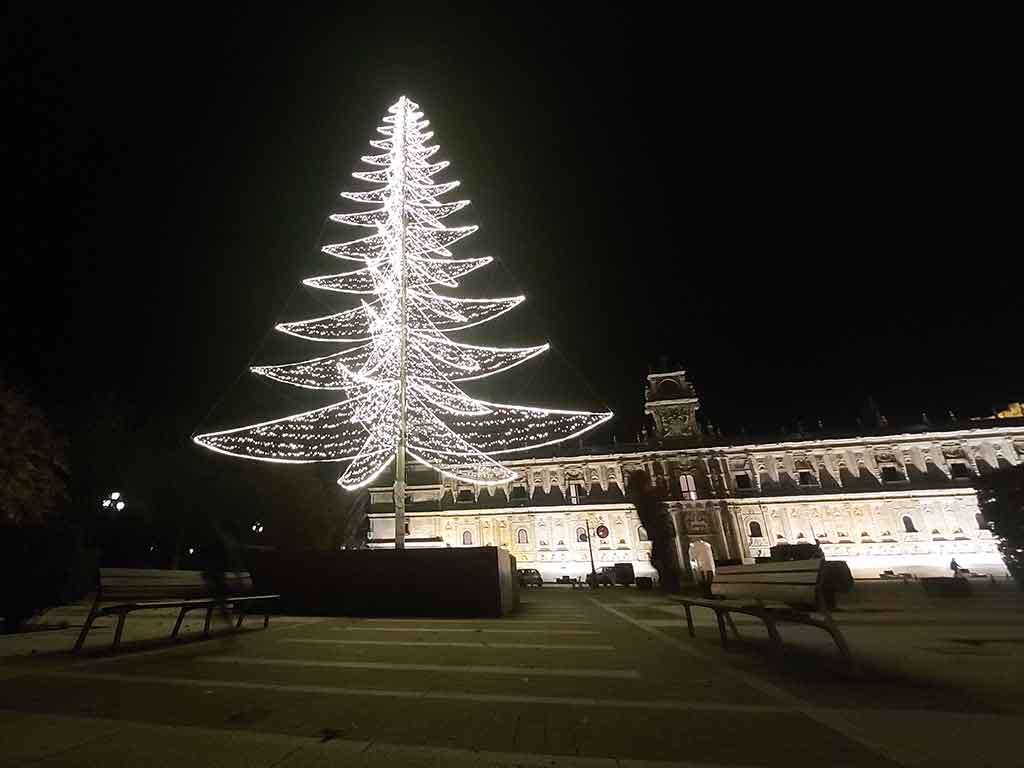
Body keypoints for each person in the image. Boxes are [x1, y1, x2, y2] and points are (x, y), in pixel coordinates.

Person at [627, 470, 680, 591]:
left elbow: (657, 513)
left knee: (661, 558)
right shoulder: (647, 496)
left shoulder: (646, 497)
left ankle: (670, 582)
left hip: (660, 531)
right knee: (660, 558)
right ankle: (670, 581)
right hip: (659, 531)